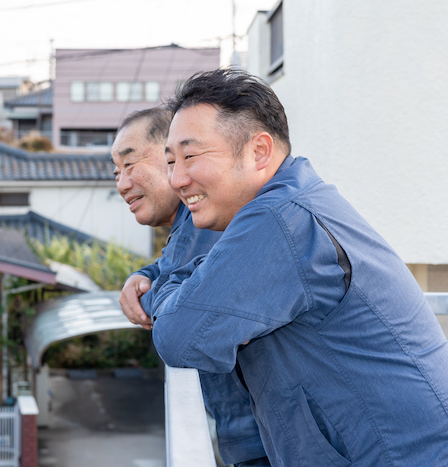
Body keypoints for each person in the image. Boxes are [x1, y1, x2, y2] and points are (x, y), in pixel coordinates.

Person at [148, 68, 448, 466]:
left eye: (190, 156)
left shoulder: (280, 220)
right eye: (170, 161)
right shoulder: (297, 199)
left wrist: (163, 288)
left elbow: (179, 336)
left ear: (259, 151)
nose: (177, 179)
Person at [112, 107, 270, 467]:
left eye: (131, 164)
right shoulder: (192, 221)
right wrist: (148, 273)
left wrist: (150, 287)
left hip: (260, 437)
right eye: (116, 172)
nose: (121, 183)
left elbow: (180, 318)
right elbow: (178, 272)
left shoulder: (203, 219)